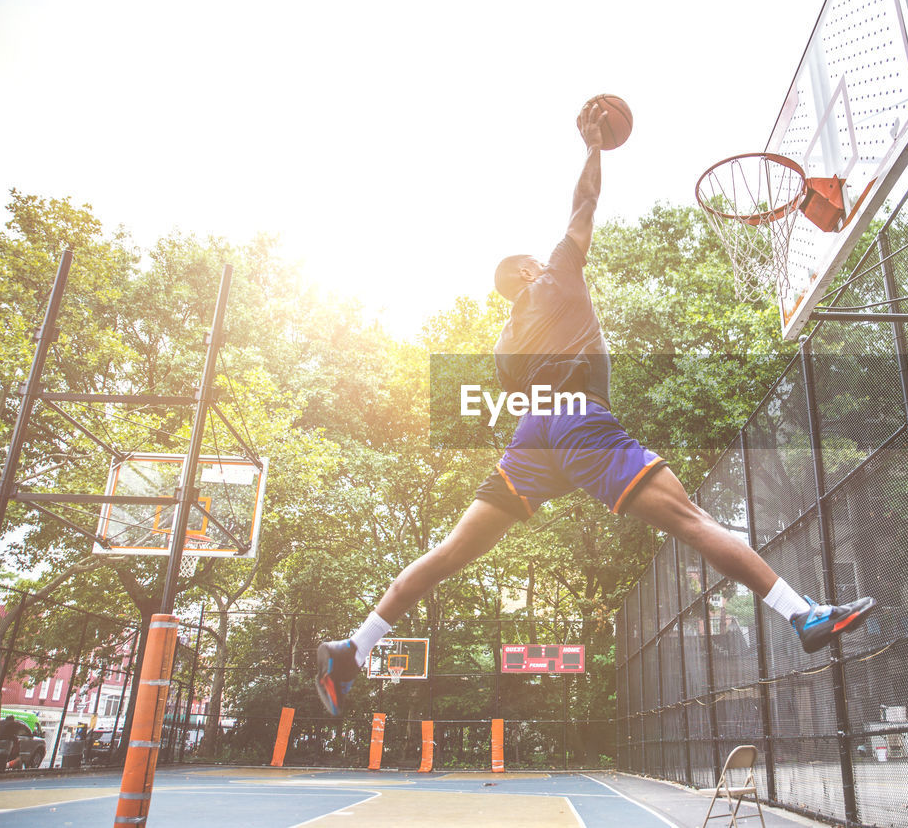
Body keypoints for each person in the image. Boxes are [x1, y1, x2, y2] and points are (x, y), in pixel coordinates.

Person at [315, 102, 876, 716]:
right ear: (526, 269)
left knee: (451, 553)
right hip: (576, 419)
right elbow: (583, 206)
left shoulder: (505, 343)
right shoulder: (552, 275)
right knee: (690, 518)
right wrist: (593, 148)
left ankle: (353, 648)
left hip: (532, 438)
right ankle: (803, 615)